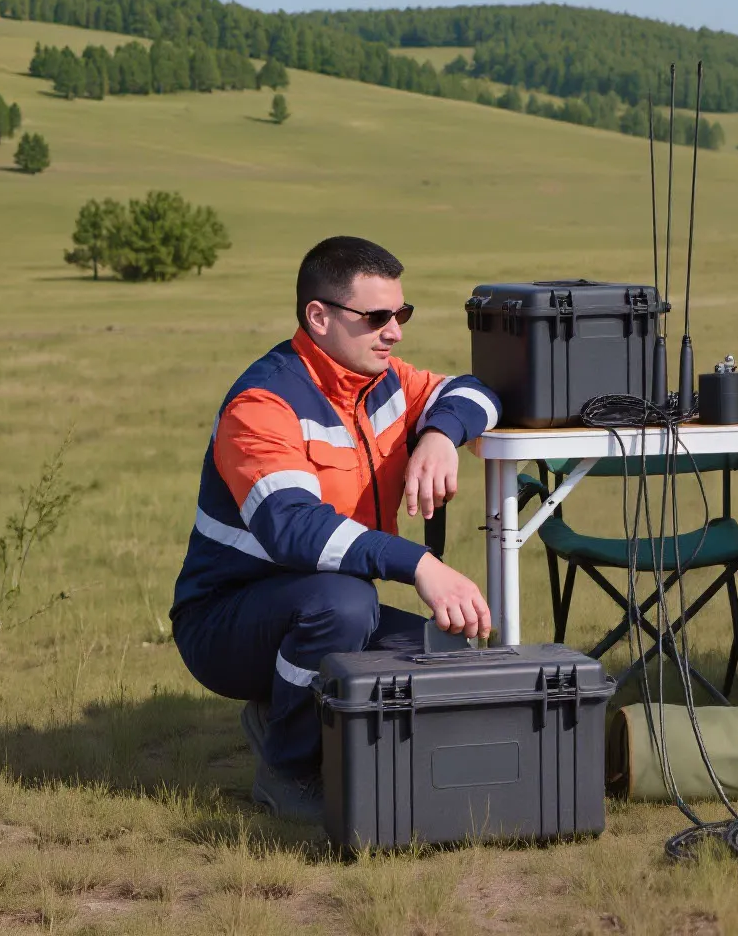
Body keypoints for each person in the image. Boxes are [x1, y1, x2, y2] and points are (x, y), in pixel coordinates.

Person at [171, 235, 502, 824]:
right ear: (318, 317)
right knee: (341, 603)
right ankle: (289, 766)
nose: (395, 331)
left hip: (321, 602)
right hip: (224, 625)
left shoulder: (383, 381)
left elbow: (476, 390)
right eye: (376, 317)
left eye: (402, 313)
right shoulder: (262, 404)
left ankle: (302, 711)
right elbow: (295, 531)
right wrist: (421, 564)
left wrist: (439, 434)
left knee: (445, 655)